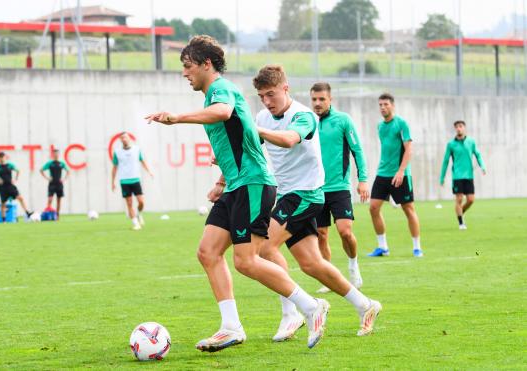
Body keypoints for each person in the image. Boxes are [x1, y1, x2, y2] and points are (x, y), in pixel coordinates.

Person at [146, 35, 329, 351]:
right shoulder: (212, 95)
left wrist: (177, 118)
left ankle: (312, 307)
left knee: (246, 261)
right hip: (235, 185)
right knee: (208, 252)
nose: (184, 73)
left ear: (206, 64)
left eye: (188, 66)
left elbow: (223, 113)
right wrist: (220, 182)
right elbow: (238, 140)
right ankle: (231, 327)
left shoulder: (221, 90)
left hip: (253, 183)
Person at [253, 66, 381, 342]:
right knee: (312, 264)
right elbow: (252, 149)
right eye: (262, 96)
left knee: (264, 247)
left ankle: (294, 313)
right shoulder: (262, 117)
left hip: (305, 194)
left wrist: (257, 129)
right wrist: (222, 177)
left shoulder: (303, 116)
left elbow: (289, 140)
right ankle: (365, 305)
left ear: (285, 88)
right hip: (287, 194)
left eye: (271, 94)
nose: (266, 101)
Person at [310, 82, 368, 293]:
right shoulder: (308, 122)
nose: (317, 103)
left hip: (339, 187)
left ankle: (353, 266)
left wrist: (362, 180)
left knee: (345, 231)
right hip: (315, 188)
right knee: (321, 234)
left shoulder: (343, 120)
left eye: (321, 99)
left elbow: (357, 151)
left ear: (330, 99)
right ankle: (330, 277)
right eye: (314, 99)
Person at [367, 93, 423, 258]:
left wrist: (401, 171)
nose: (383, 107)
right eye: (380, 105)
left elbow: (409, 149)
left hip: (401, 175)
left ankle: (417, 247)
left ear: (392, 105)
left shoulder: (401, 124)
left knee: (408, 210)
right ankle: (383, 247)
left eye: (386, 104)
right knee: (373, 208)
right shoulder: (380, 126)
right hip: (382, 173)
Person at [439, 120, 486, 230]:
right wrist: (442, 177)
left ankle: (460, 212)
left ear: (464, 128)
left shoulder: (471, 142)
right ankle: (461, 223)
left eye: (460, 126)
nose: (459, 128)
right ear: (455, 129)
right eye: (457, 127)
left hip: (469, 176)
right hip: (457, 176)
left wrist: (482, 166)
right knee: (459, 200)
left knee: (471, 200)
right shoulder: (451, 144)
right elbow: (445, 161)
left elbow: (478, 155)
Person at [110, 132, 154, 230]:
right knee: (129, 204)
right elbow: (114, 168)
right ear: (120, 140)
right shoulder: (117, 152)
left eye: (125, 137)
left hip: (136, 179)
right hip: (124, 181)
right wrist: (112, 182)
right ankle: (135, 223)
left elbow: (143, 161)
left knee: (141, 202)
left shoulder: (136, 149)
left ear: (129, 138)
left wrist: (150, 172)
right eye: (122, 138)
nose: (124, 139)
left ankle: (139, 214)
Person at [0, 152, 33, 221]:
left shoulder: (10, 165)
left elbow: (18, 171)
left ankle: (27, 212)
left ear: (5, 157)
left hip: (10, 186)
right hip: (3, 187)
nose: (2, 158)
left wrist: (15, 179)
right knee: (3, 204)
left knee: (20, 198)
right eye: (0, 157)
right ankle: (4, 220)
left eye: (3, 157)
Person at [40, 149, 70, 220]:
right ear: (53, 155)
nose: (56, 155)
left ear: (58, 154)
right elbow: (41, 170)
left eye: (57, 154)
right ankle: (48, 215)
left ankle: (57, 215)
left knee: (58, 200)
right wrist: (47, 178)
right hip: (52, 183)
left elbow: (68, 171)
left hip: (59, 184)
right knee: (50, 199)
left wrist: (64, 179)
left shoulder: (61, 163)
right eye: (54, 154)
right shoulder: (50, 163)